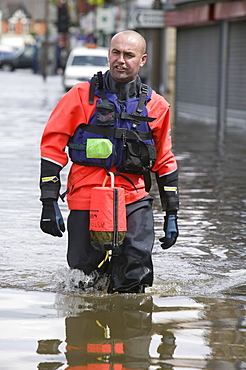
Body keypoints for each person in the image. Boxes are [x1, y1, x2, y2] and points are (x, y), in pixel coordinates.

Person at [39, 30, 179, 294]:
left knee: (136, 269)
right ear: (108, 54)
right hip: (85, 196)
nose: (121, 60)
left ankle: (132, 327)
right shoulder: (80, 96)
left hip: (133, 197)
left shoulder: (158, 106)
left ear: (142, 60)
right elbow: (51, 147)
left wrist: (172, 214)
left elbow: (165, 160)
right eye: (116, 53)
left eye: (129, 55)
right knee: (83, 276)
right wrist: (49, 202)